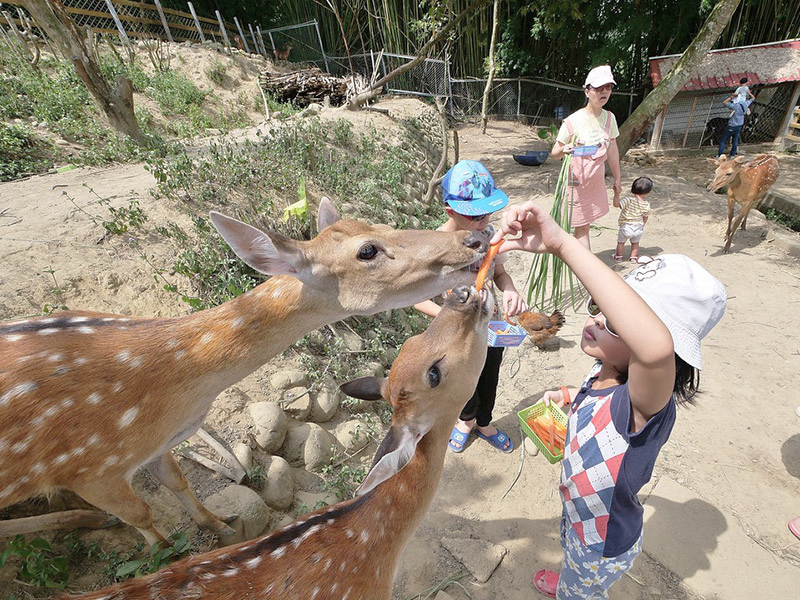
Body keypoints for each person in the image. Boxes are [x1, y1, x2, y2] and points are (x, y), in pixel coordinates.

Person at [491, 202, 727, 599]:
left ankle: (574, 589)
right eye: (598, 308)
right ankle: (571, 579)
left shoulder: (642, 405)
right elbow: (599, 392)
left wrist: (563, 244)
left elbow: (654, 350)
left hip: (599, 544)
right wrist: (568, 395)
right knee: (571, 554)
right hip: (579, 520)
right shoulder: (606, 371)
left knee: (581, 588)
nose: (598, 319)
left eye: (617, 322)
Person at [414, 160, 527, 454]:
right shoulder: (435, 245)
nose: (483, 220)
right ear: (450, 211)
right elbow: (417, 298)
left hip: (491, 325)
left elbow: (500, 274)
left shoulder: (488, 235)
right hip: (456, 332)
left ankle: (485, 422)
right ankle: (466, 421)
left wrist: (510, 289)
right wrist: (451, 314)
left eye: (487, 212)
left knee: (489, 375)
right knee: (463, 381)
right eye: (475, 215)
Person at [550, 65, 622, 251]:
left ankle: (580, 261)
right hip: (576, 184)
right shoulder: (572, 121)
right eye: (599, 88)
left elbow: (612, 150)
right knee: (579, 228)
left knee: (585, 226)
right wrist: (564, 149)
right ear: (587, 91)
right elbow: (554, 153)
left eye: (608, 87)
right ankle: (582, 263)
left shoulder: (610, 119)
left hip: (595, 182)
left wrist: (617, 177)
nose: (604, 92)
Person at [612, 176, 652, 263]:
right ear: (648, 192)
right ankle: (633, 257)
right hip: (638, 227)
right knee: (635, 243)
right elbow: (645, 217)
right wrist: (642, 225)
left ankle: (618, 256)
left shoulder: (628, 200)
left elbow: (616, 205)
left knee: (621, 242)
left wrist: (616, 194)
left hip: (626, 226)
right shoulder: (646, 204)